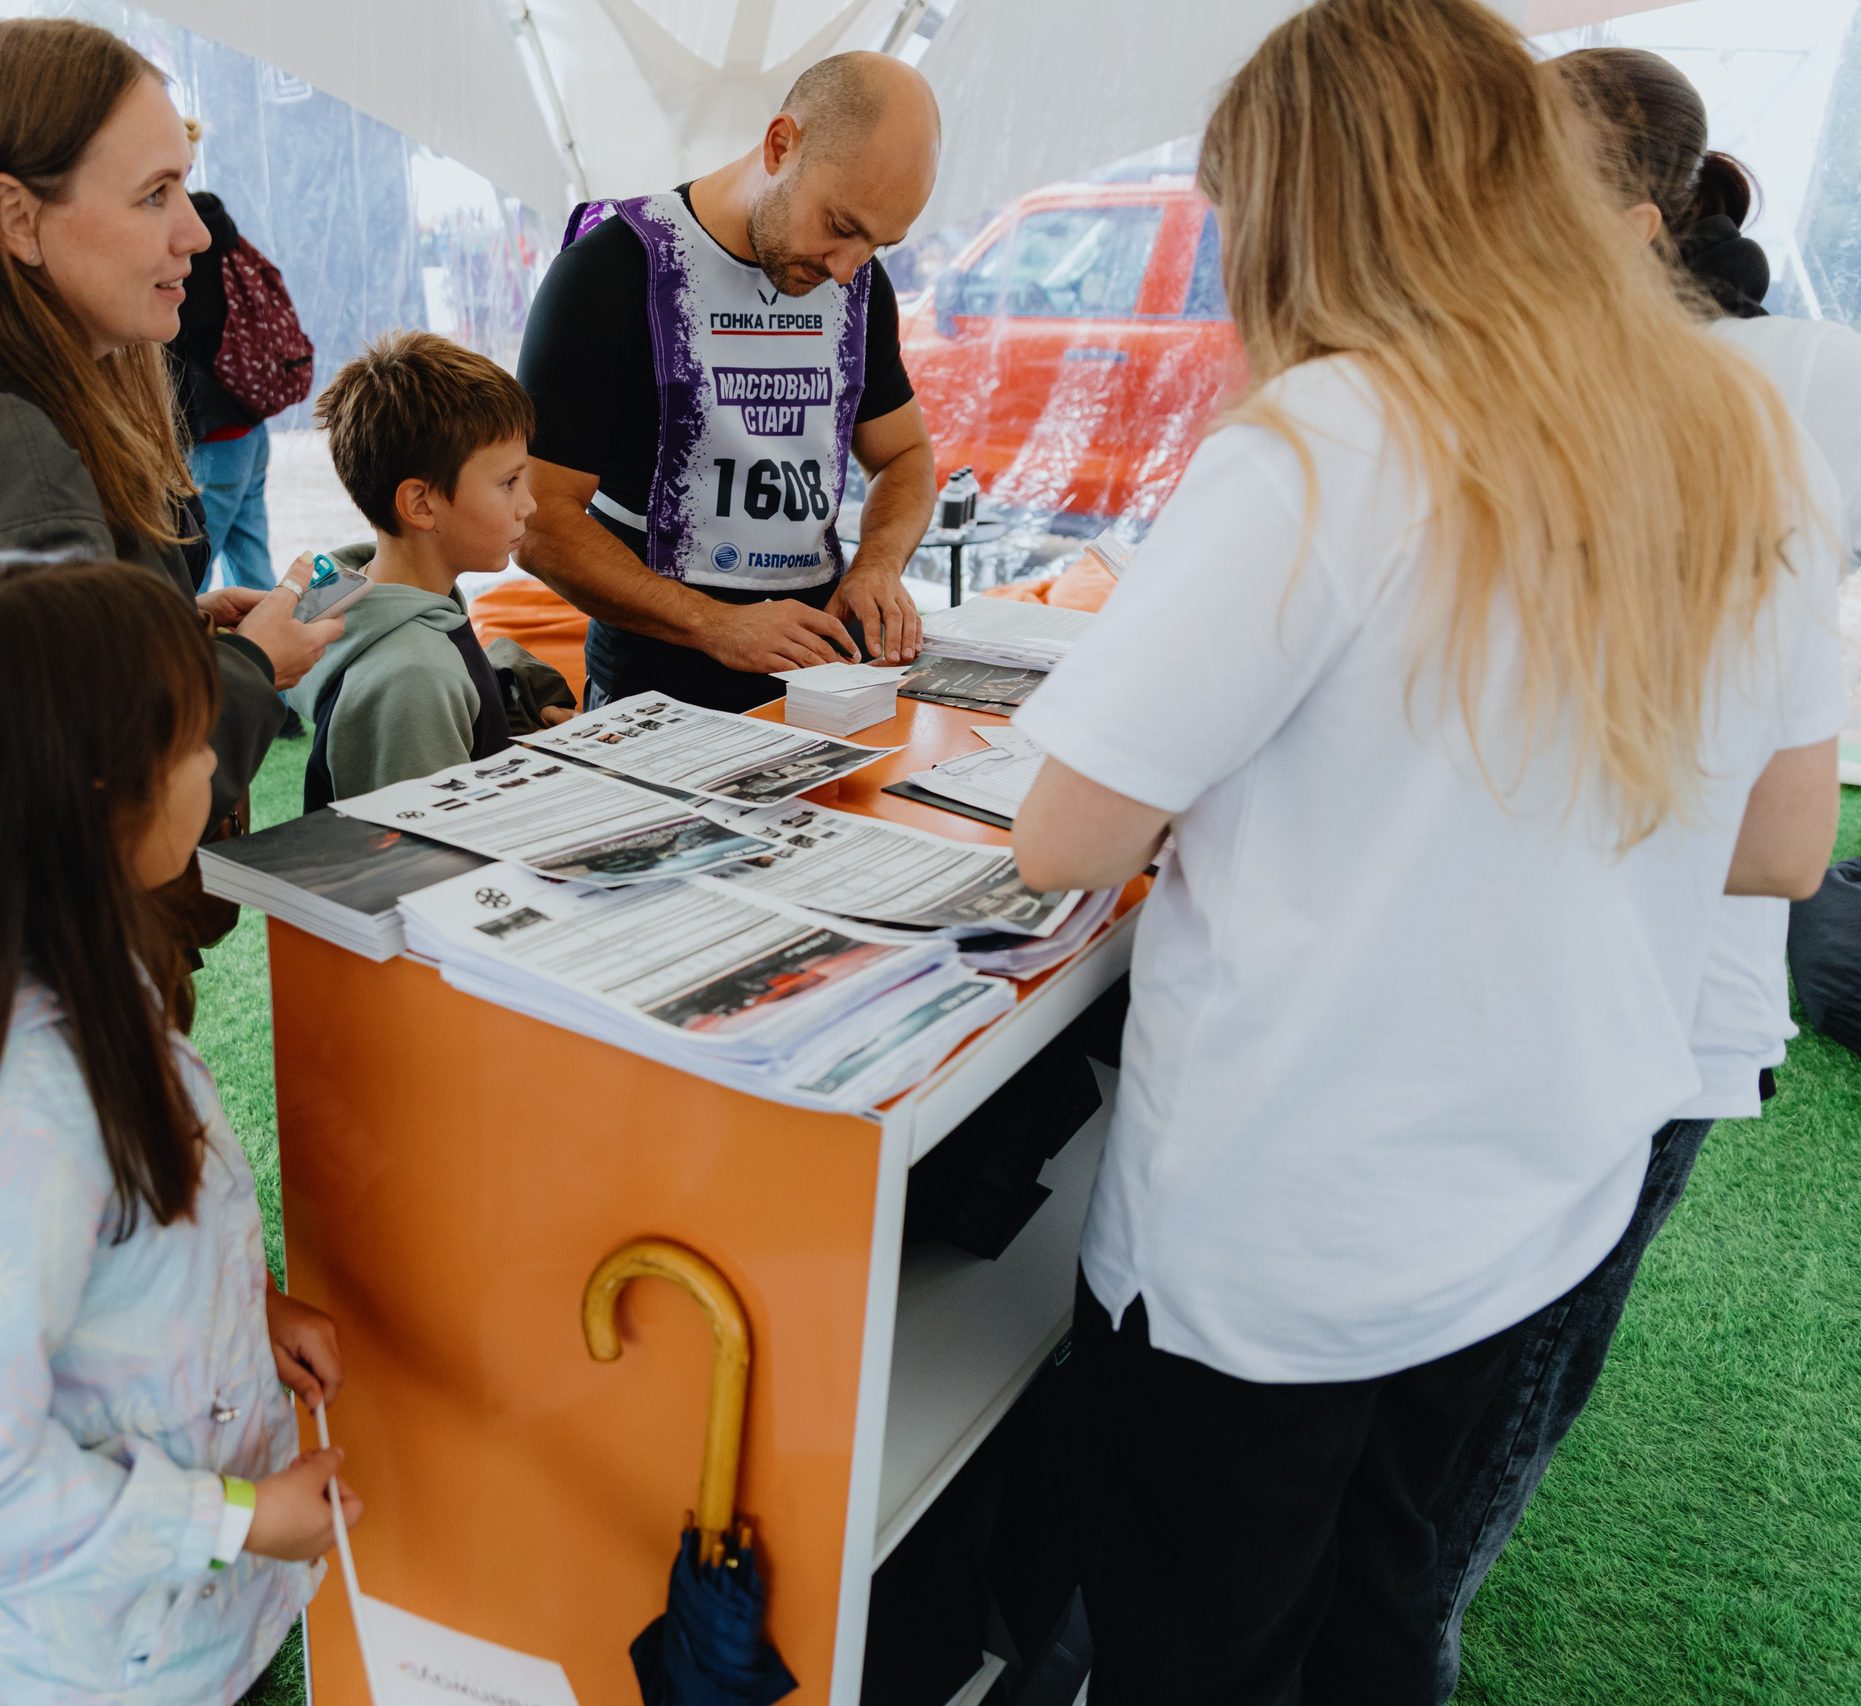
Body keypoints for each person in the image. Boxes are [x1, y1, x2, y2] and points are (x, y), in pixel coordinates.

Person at [1002, 2, 1845, 1699]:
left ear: (1306, 205)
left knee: (1197, 1651)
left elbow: (1063, 835)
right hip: (1541, 1191)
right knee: (1385, 1623)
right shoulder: (1741, 434)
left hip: (1280, 1234)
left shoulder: (1332, 441)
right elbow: (1777, 847)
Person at [1418, 47, 1861, 1694]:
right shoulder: (1506, 381)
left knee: (1484, 1437)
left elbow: (1781, 840)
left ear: (1620, 206)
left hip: (1655, 1013)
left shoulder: (1793, 382)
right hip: (1526, 997)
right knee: (1451, 1420)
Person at [0, 553, 358, 1702]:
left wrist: (245, 1303)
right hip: (109, 1660)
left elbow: (121, 1238)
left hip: (174, 1624)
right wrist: (238, 1516)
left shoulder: (65, 961)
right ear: (94, 797)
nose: (214, 764)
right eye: (195, 745)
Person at [0, 17, 340, 821]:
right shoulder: (4, 450)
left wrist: (159, 623)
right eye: (154, 194)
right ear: (16, 217)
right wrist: (253, 667)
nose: (193, 232)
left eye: (184, 186)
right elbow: (96, 802)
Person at [515, 50, 941, 710]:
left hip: (820, 686)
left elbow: (906, 456)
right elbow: (538, 521)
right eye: (841, 226)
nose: (846, 269)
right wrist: (713, 624)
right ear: (780, 145)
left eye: (879, 246)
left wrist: (877, 564)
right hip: (655, 696)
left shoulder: (856, 286)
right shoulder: (611, 272)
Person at [291, 330, 541, 808]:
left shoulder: (359, 596)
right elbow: (430, 856)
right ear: (420, 505)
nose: (527, 504)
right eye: (508, 482)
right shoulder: (415, 680)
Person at [170, 166, 282, 594]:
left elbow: (184, 334)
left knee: (190, 573)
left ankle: (206, 662)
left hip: (212, 437)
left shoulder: (183, 243)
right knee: (252, 566)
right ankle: (276, 656)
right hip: (249, 427)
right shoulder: (218, 227)